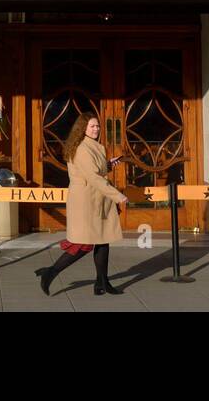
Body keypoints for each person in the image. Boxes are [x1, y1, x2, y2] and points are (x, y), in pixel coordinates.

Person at [37, 112, 128, 296]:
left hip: (96, 199)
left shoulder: (92, 146)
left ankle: (102, 282)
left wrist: (107, 165)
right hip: (87, 202)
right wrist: (118, 196)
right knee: (83, 245)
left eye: (97, 126)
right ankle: (50, 273)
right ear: (83, 128)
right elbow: (93, 177)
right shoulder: (82, 149)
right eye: (92, 126)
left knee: (103, 241)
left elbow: (93, 170)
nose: (96, 129)